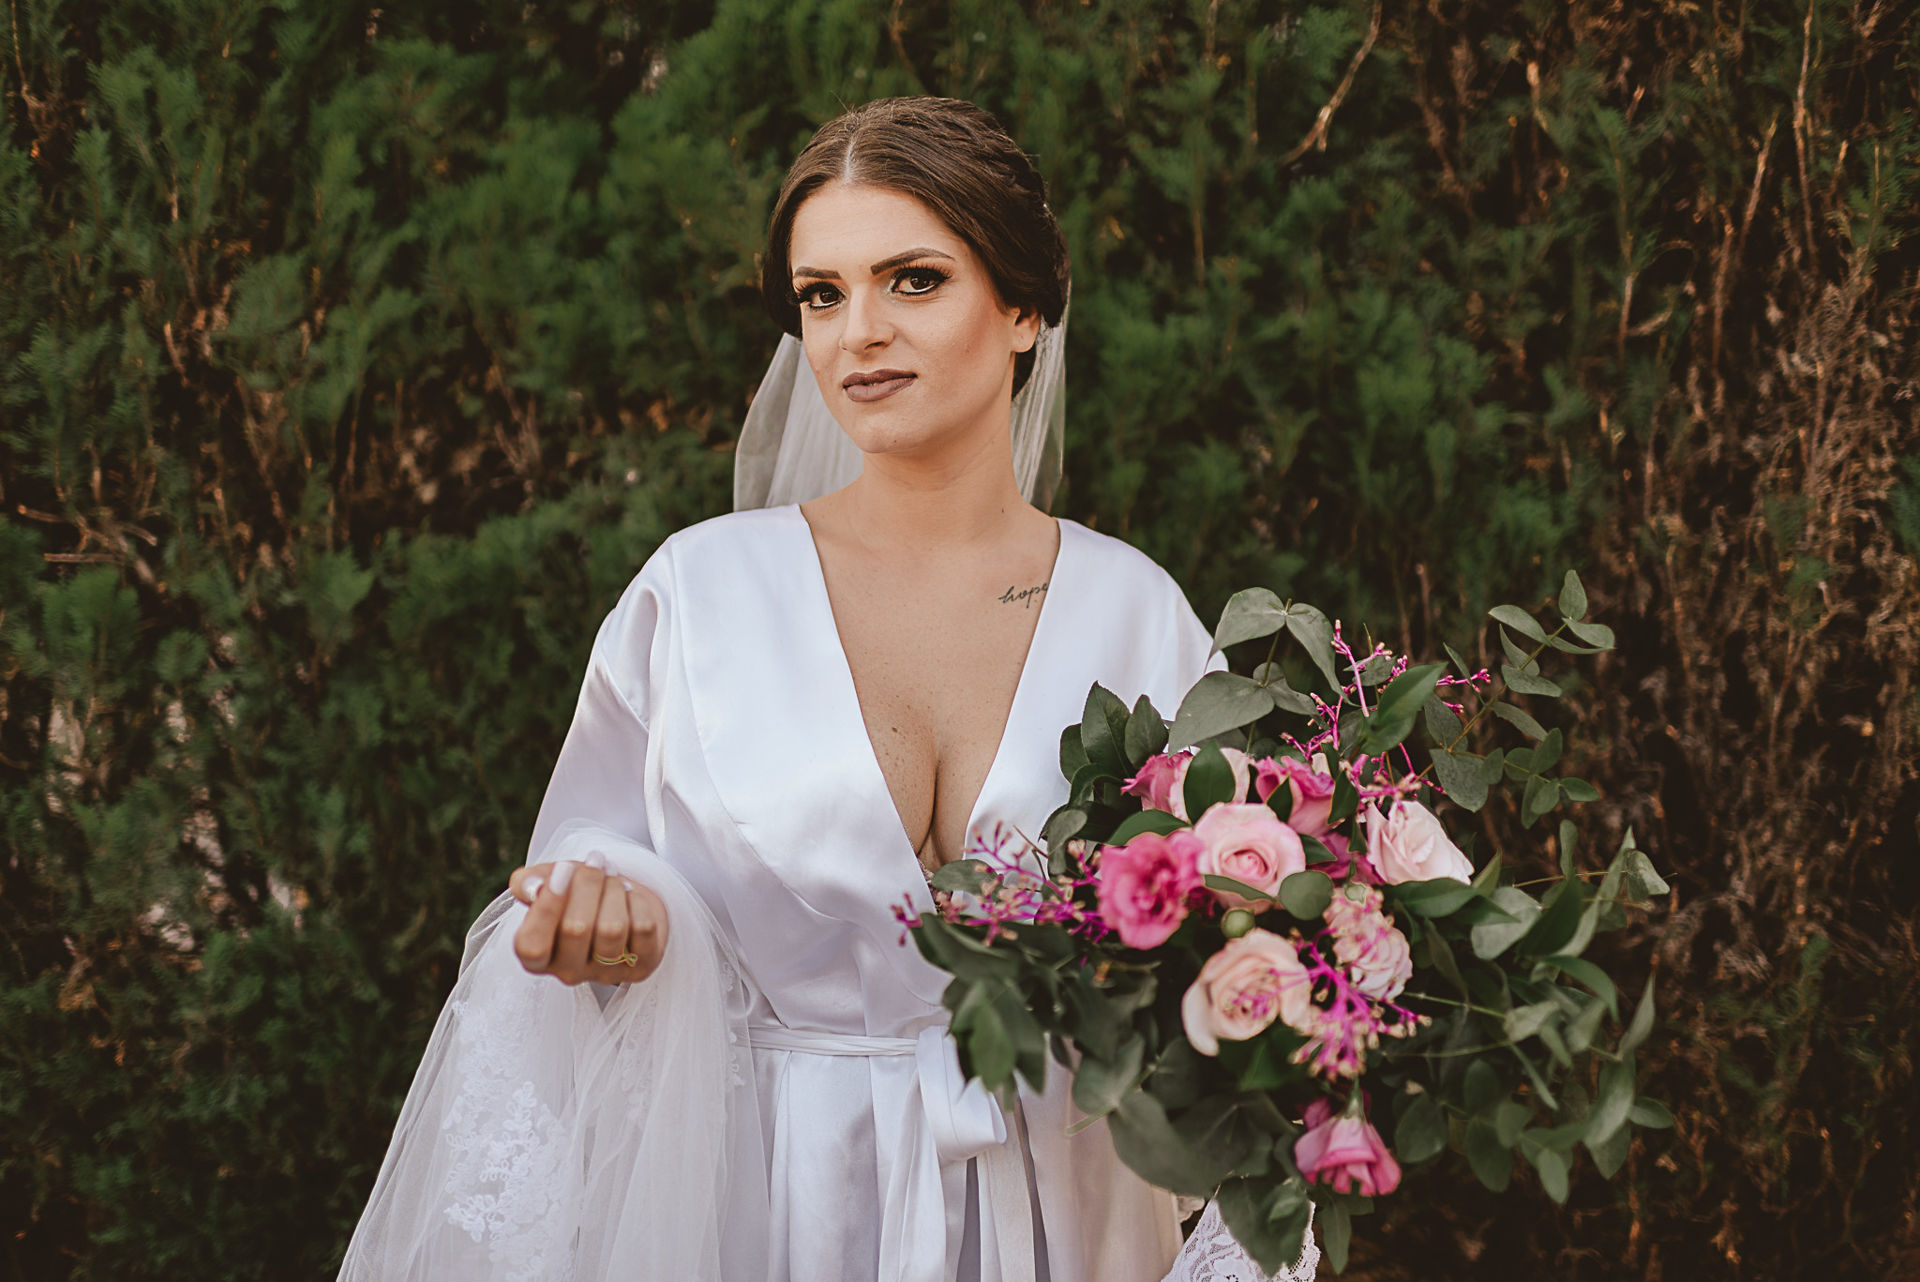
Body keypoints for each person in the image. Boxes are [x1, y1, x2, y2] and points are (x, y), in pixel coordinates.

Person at [338, 96, 1314, 1282]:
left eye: (913, 280)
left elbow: (1240, 944)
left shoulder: (1141, 613)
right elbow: (592, 852)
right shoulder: (697, 596)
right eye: (822, 293)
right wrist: (620, 913)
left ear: (1020, 308)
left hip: (1066, 1203)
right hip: (783, 1197)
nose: (858, 334)